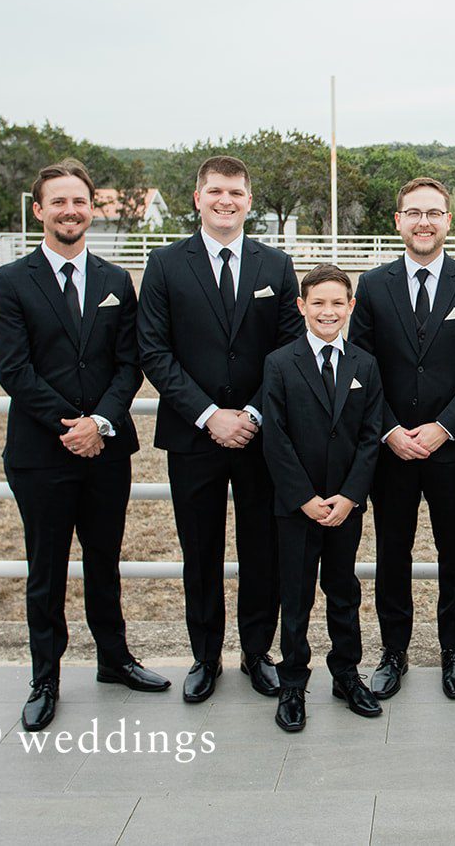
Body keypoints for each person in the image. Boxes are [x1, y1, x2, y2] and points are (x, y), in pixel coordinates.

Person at [0, 159, 169, 732]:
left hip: (107, 451)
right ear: (39, 210)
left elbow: (129, 363)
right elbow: (14, 371)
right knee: (47, 567)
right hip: (41, 454)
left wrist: (102, 424)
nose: (70, 211)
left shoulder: (117, 281)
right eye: (58, 202)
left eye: (80, 202)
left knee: (105, 561)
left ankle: (113, 659)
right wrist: (72, 426)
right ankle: (46, 676)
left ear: (92, 209)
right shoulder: (11, 281)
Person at [137, 155, 301, 703]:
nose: (225, 201)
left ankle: (258, 652)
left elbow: (287, 351)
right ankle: (205, 655)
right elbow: (154, 352)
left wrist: (252, 414)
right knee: (200, 550)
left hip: (261, 437)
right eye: (215, 191)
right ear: (197, 198)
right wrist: (209, 415)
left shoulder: (275, 266)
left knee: (264, 550)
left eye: (235, 192)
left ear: (249, 200)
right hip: (193, 435)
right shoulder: (164, 264)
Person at [347, 177, 455, 700]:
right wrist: (390, 430)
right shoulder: (372, 286)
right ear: (398, 221)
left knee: (453, 550)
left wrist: (443, 428)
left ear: (448, 221)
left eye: (434, 213)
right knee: (393, 550)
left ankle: (453, 649)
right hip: (390, 451)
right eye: (413, 212)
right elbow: (361, 369)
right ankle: (394, 650)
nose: (424, 222)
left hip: (451, 449)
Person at [260, 263, 387, 732]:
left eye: (337, 303)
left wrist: (350, 496)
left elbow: (370, 436)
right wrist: (304, 498)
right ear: (301, 307)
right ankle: (293, 682)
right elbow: (275, 436)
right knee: (294, 595)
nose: (328, 311)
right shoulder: (279, 363)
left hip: (344, 505)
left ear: (350, 307)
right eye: (318, 303)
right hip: (297, 506)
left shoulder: (364, 365)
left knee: (343, 590)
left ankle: (346, 673)